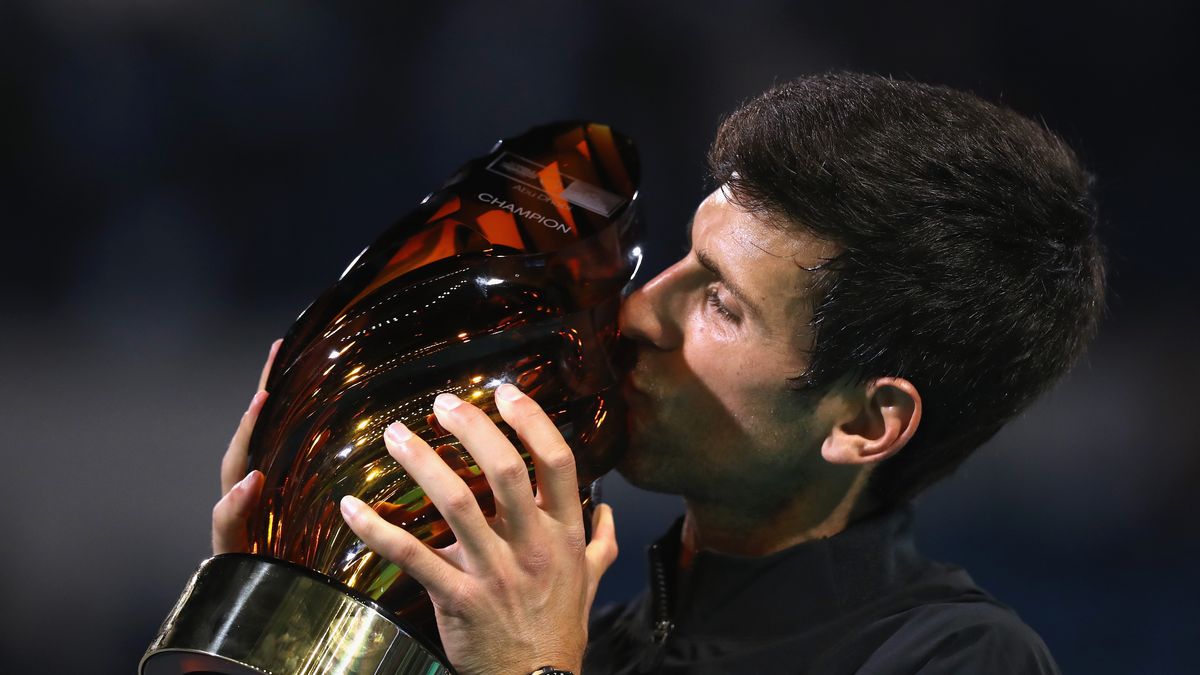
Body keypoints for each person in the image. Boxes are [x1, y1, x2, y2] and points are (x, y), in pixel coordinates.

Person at [212, 72, 1104, 674]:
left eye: (722, 302)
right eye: (682, 257)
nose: (637, 314)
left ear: (865, 423)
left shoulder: (959, 656)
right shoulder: (578, 642)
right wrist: (276, 608)